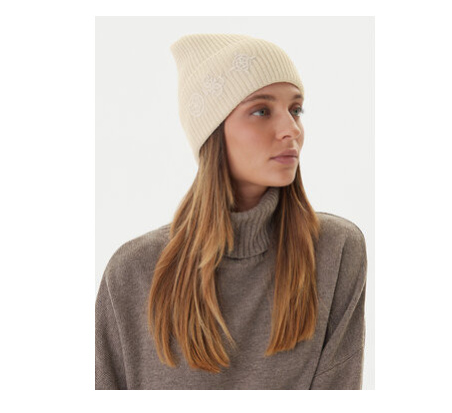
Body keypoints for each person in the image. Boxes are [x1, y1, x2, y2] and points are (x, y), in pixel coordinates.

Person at [95, 33, 368, 390]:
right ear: (212, 132)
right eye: (261, 111)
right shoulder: (133, 272)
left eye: (296, 110)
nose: (291, 130)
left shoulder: (336, 251)